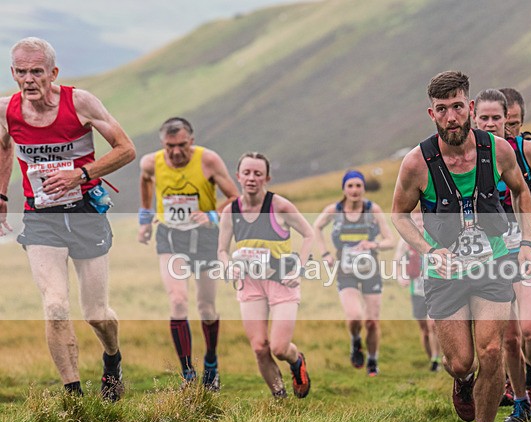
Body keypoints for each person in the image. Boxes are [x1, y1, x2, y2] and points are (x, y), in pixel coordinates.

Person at [392, 71, 531, 422]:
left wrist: (525, 242)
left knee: (491, 349)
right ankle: (461, 381)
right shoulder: (417, 162)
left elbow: (523, 193)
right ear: (432, 114)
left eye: (458, 107)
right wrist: (428, 251)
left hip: (493, 262)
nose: (452, 117)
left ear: (470, 108)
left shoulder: (498, 151)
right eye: (442, 110)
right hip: (445, 270)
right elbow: (398, 215)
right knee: (460, 361)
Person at [0, 37, 135, 399]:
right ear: (13, 73)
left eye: (37, 72)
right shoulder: (6, 110)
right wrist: (1, 194)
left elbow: (126, 149)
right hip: (41, 217)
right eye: (21, 72)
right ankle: (74, 397)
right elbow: (4, 146)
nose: (29, 80)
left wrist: (82, 174)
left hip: (86, 213)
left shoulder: (80, 102)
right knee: (56, 304)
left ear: (53, 72)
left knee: (95, 313)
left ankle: (112, 358)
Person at [472, 88, 531, 422]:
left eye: (499, 118)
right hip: (492, 255)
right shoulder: (469, 158)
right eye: (486, 118)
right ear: (474, 118)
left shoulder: (524, 150)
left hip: (528, 247)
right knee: (508, 339)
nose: (494, 124)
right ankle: (521, 402)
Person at [138, 117, 239, 389]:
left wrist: (212, 215)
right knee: (178, 301)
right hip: (170, 237)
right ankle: (188, 374)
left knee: (206, 306)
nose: (176, 151)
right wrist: (145, 219)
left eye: (182, 145)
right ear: (163, 144)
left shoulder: (209, 161)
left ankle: (211, 363)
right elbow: (145, 180)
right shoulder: (151, 162)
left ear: (191, 141)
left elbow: (234, 198)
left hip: (205, 238)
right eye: (170, 146)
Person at [217, 152, 312, 398]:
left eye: (257, 174)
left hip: (281, 282)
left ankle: (296, 361)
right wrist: (228, 266)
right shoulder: (230, 212)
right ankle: (279, 397)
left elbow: (309, 234)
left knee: (279, 348)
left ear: (266, 178)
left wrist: (299, 269)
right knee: (260, 347)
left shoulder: (279, 206)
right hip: (249, 285)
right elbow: (221, 250)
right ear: (238, 176)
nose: (251, 178)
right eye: (246, 173)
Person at [314, 170, 395, 376]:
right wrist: (325, 254)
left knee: (372, 321)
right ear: (344, 189)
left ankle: (373, 360)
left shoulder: (373, 210)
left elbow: (390, 240)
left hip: (371, 270)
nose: (354, 190)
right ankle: (355, 341)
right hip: (345, 270)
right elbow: (316, 228)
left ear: (364, 188)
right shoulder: (334, 210)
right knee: (355, 317)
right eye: (350, 186)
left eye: (358, 185)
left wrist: (373, 244)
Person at [394, 211, 441, 372]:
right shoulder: (405, 241)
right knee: (424, 328)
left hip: (434, 289)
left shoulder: (435, 237)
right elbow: (397, 261)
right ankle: (431, 358)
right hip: (417, 289)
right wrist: (401, 277)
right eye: (417, 220)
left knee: (432, 324)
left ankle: (436, 359)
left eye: (422, 220)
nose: (420, 223)